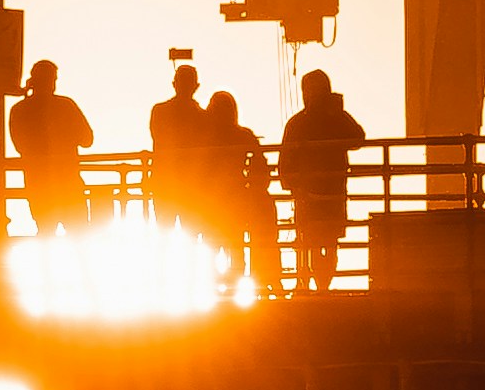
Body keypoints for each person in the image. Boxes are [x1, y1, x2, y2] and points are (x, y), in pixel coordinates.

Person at [277, 64, 365, 294]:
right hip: (316, 194)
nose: (311, 96)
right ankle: (317, 285)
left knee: (324, 243)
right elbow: (285, 161)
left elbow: (357, 138)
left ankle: (319, 285)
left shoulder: (309, 121)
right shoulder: (300, 123)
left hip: (325, 194)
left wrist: (336, 113)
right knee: (316, 242)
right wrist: (290, 180)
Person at [200, 85, 281, 293]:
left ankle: (216, 289)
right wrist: (254, 188)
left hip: (213, 201)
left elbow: (197, 168)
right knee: (234, 247)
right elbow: (261, 165)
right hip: (235, 199)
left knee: (213, 247)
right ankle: (234, 287)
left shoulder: (205, 138)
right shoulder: (242, 135)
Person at [8, 56, 94, 236]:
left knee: (45, 233)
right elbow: (87, 139)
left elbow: (20, 146)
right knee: (79, 235)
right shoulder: (65, 105)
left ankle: (45, 265)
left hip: (37, 182)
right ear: (51, 80)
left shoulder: (19, 110)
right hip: (69, 181)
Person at [147, 54, 208, 206]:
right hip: (192, 182)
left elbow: (159, 139)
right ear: (196, 86)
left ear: (174, 84)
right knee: (193, 226)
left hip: (164, 181)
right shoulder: (202, 117)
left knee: (165, 226)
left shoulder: (159, 111)